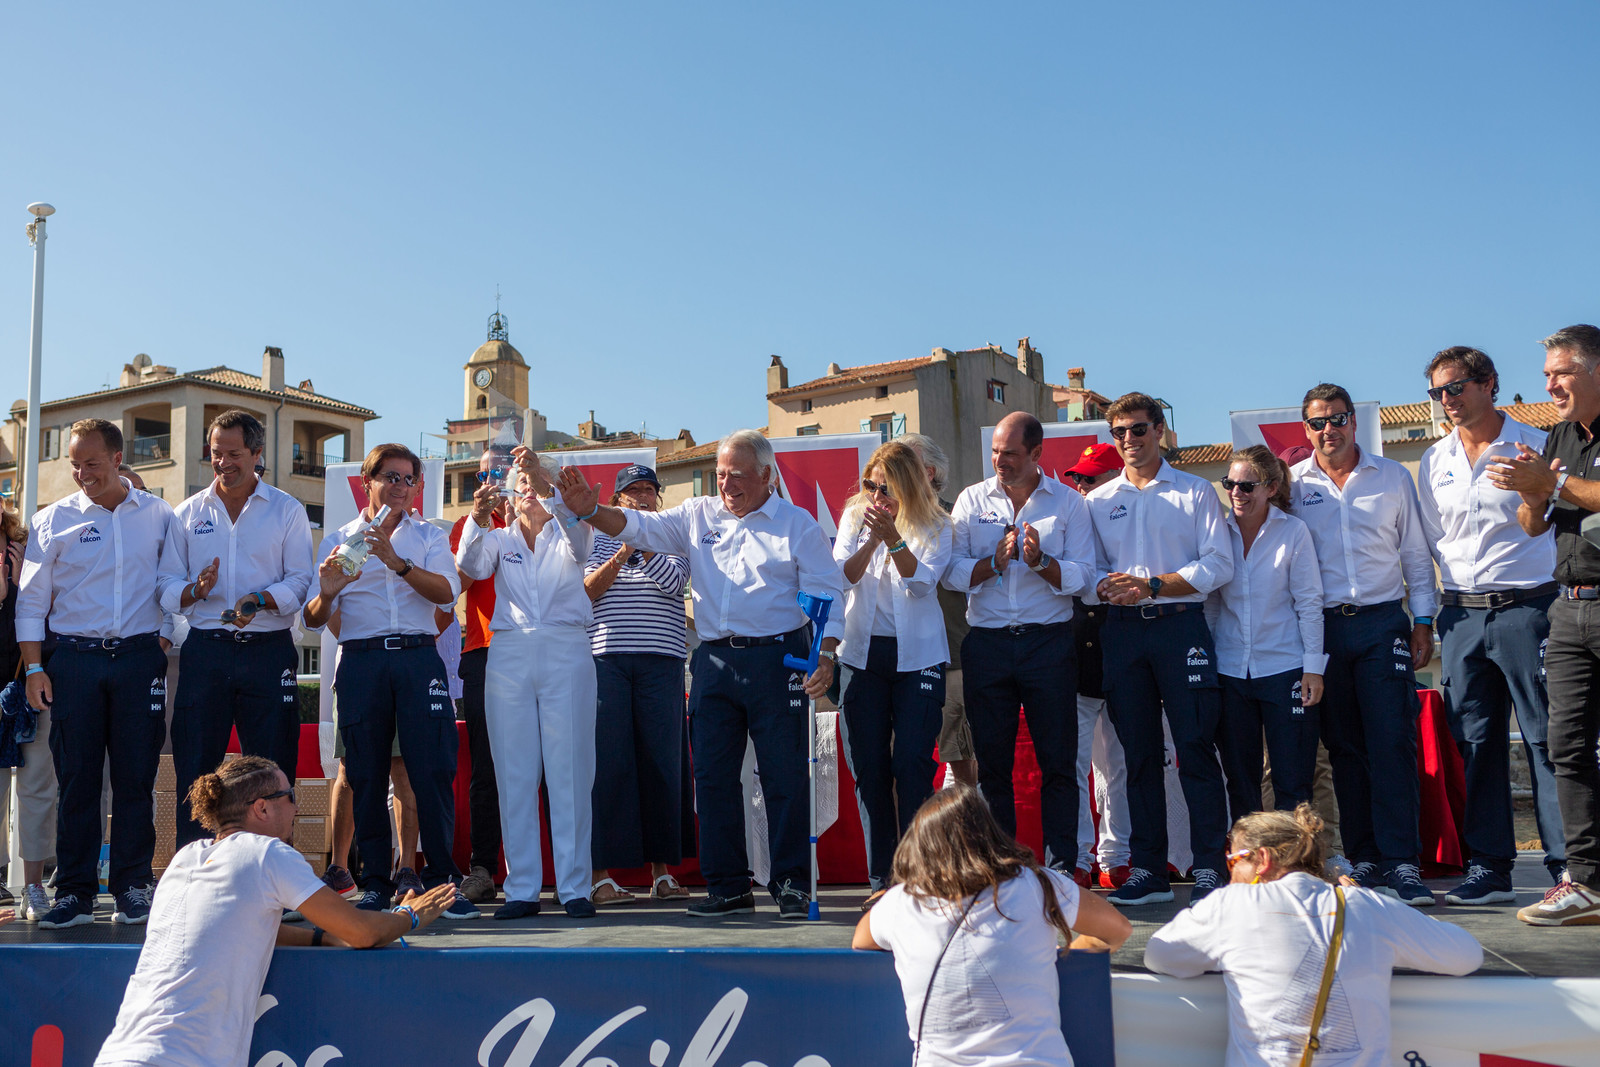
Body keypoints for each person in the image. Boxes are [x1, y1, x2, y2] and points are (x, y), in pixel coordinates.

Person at [558, 429, 844, 919]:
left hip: (778, 659)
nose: (726, 484)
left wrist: (827, 653)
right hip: (713, 662)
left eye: (738, 475)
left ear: (767, 475)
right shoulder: (697, 514)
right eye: (720, 474)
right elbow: (639, 527)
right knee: (712, 778)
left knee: (784, 776)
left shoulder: (797, 524)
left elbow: (827, 592)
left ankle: (792, 884)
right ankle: (728, 886)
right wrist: (590, 511)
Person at [93, 756, 456, 1067]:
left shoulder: (184, 859)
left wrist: (321, 938)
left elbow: (237, 926)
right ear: (262, 808)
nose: (296, 808)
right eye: (290, 796)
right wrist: (409, 916)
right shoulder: (267, 853)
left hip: (117, 1053)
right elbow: (362, 932)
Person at [1145, 804, 1482, 1067]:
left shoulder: (1233, 903)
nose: (1229, 873)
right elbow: (1466, 955)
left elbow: (1160, 955)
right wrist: (1377, 907)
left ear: (1262, 859)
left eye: (1233, 861)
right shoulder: (1367, 905)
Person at [1416, 346, 1566, 906]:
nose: (1447, 400)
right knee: (1474, 744)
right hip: (1460, 614)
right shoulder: (1434, 459)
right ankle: (1489, 868)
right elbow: (1432, 541)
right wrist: (1430, 616)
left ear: (1488, 384)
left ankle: (1567, 867)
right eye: (1438, 392)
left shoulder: (1536, 444)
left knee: (1547, 740)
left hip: (1530, 608)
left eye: (1455, 388)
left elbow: (1555, 522)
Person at [302, 443, 477, 918]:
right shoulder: (340, 538)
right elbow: (313, 618)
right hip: (362, 661)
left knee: (431, 773)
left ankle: (442, 880)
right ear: (368, 482)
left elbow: (447, 593)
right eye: (390, 477)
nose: (400, 487)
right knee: (365, 773)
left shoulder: (429, 536)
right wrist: (327, 593)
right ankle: (376, 882)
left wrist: (397, 562)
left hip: (418, 659)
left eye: (408, 479)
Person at [16, 419, 176, 928]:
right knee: (77, 782)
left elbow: (172, 583)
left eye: (92, 463)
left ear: (118, 458)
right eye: (75, 464)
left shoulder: (158, 514)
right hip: (74, 661)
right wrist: (35, 668)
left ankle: (133, 887)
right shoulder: (51, 520)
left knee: (135, 780)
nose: (82, 474)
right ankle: (75, 893)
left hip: (138, 660)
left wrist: (164, 637)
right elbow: (30, 603)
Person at [851, 784, 1131, 1067]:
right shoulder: (1036, 883)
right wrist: (1072, 953)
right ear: (990, 835)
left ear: (919, 846)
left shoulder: (899, 903)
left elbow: (860, 941)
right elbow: (1118, 928)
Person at [1290, 383, 1439, 906]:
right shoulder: (1293, 484)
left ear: (1354, 421)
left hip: (1382, 623)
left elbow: (1415, 555)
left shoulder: (1393, 476)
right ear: (1306, 429)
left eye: (1338, 419)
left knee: (1392, 742)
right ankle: (1366, 857)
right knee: (1345, 749)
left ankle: (1403, 861)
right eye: (1318, 422)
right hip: (1323, 630)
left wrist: (1423, 620)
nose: (1328, 430)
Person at [1085, 393, 1234, 906]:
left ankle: (1210, 865)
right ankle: (1148, 869)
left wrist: (1151, 585)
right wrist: (1105, 587)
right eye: (1119, 432)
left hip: (1181, 628)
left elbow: (1219, 565)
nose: (1129, 439)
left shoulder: (1196, 492)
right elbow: (1087, 572)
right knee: (1138, 756)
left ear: (1160, 431)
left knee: (1195, 748)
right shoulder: (1098, 501)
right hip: (1123, 634)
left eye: (1138, 428)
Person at [944, 412, 1097, 877]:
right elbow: (951, 573)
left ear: (1036, 453)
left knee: (1058, 762)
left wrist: (1042, 562)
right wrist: (992, 563)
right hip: (987, 645)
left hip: (1048, 644)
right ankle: (1002, 868)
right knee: (992, 766)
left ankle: (1062, 868)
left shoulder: (1068, 503)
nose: (1000, 461)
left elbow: (1084, 576)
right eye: (995, 452)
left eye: (1010, 453)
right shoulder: (971, 500)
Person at [156, 410, 315, 847]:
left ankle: (272, 870)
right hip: (205, 650)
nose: (223, 463)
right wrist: (194, 590)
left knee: (271, 770)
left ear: (257, 453)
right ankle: (197, 868)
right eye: (215, 453)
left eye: (233, 454)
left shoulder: (287, 509)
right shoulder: (187, 513)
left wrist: (259, 600)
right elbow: (165, 584)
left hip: (268, 650)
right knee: (196, 768)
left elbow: (301, 580)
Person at [1489, 324, 1600, 925]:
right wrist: (1531, 494)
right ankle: (1586, 883)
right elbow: (1535, 525)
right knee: (1567, 746)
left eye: (1562, 373)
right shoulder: (1558, 434)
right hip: (1569, 606)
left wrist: (1551, 482)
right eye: (1548, 376)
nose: (1551, 386)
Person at [457, 450, 599, 919]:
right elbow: (472, 566)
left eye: (535, 484)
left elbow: (580, 547)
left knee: (570, 770)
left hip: (565, 647)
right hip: (509, 652)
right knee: (514, 772)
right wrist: (478, 519)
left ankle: (574, 887)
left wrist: (543, 480)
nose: (528, 492)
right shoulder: (498, 538)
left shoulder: (573, 528)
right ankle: (521, 888)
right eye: (520, 485)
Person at [833, 441, 953, 893]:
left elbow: (922, 585)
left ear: (909, 486)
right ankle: (882, 877)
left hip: (918, 657)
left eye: (887, 488)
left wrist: (894, 539)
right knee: (870, 768)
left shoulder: (938, 523)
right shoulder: (854, 517)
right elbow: (841, 576)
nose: (876, 496)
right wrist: (871, 540)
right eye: (871, 485)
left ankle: (918, 873)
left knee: (912, 764)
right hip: (861, 656)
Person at [583, 463, 694, 905]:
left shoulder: (673, 535)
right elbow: (587, 591)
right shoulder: (596, 536)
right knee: (607, 766)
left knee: (662, 766)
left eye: (650, 490)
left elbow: (675, 582)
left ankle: (662, 873)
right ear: (617, 500)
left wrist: (643, 544)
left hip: (662, 661)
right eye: (634, 491)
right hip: (605, 661)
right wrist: (621, 551)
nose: (643, 497)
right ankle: (600, 877)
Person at [1208, 446, 1326, 822]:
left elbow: (1309, 603)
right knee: (1241, 783)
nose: (1236, 493)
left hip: (1285, 668)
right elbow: (1211, 604)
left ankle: (1295, 857)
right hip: (1230, 671)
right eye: (1230, 484)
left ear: (1271, 488)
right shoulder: (1216, 531)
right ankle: (1250, 855)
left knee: (1294, 782)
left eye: (1247, 486)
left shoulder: (1294, 531)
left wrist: (1313, 668)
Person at [1061, 443, 1132, 887]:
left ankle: (1117, 855)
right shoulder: (1071, 520)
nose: (1082, 487)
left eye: (1091, 478)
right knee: (1073, 764)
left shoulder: (1129, 521)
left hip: (1122, 654)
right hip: (1077, 657)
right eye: (1077, 479)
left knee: (1119, 765)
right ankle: (1079, 857)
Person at [448, 446, 514, 904]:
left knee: (551, 767)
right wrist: (484, 519)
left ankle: (570, 870)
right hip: (484, 652)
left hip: (539, 651)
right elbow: (462, 581)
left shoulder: (541, 519)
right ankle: (483, 868)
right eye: (488, 472)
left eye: (504, 470)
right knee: (487, 768)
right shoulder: (466, 524)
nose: (496, 479)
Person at [899, 433, 978, 788]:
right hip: (896, 660)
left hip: (950, 657)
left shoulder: (953, 521)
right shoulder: (881, 517)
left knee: (959, 758)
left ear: (929, 472)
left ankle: (966, 825)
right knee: (899, 763)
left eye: (906, 464)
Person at [1, 500, 57, 921]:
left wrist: (23, 587)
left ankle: (34, 886)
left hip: (33, 684)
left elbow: (54, 613)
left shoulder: (26, 545)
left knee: (38, 786)